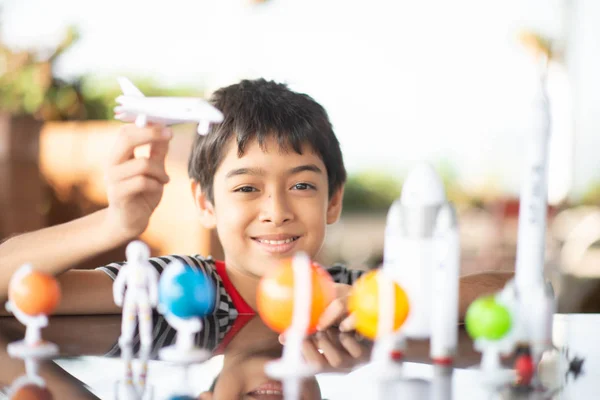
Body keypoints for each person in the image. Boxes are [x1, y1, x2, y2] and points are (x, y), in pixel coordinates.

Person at [0, 79, 512, 331]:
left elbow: (511, 290)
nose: (276, 209)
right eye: (247, 188)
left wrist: (376, 304)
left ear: (334, 200)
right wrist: (115, 222)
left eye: (303, 186)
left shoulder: (352, 294)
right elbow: (11, 286)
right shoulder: (175, 287)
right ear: (205, 202)